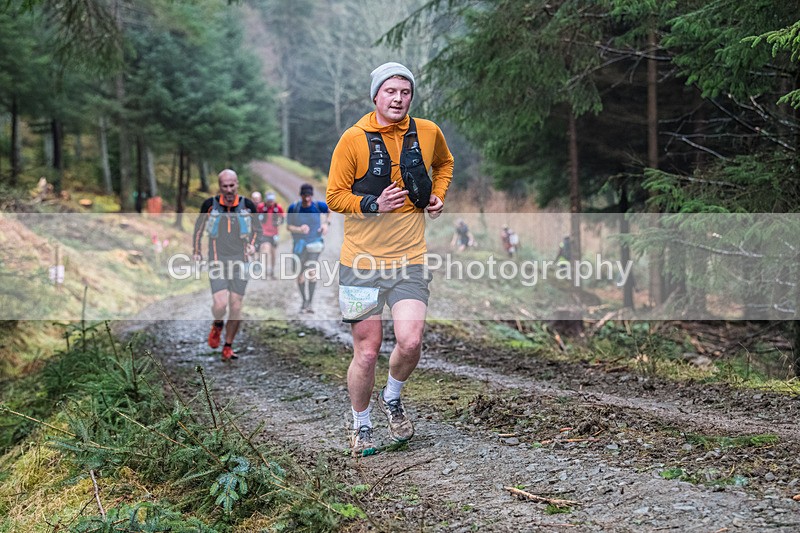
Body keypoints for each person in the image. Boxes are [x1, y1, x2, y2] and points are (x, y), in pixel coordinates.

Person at [326, 61, 454, 457]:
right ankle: (361, 425)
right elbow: (334, 196)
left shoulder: (428, 132)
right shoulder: (353, 139)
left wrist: (438, 195)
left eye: (405, 92)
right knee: (367, 351)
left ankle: (392, 397)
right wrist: (373, 203)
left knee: (411, 342)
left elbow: (444, 164)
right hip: (360, 264)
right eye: (390, 92)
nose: (398, 99)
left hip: (409, 261)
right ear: (376, 96)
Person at [192, 169, 261, 361]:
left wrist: (253, 245)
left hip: (241, 261)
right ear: (219, 186)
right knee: (220, 305)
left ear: (237, 184)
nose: (229, 190)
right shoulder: (210, 205)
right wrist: (196, 251)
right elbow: (198, 229)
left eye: (232, 185)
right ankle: (217, 324)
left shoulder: (248, 206)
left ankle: (228, 346)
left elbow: (257, 230)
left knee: (236, 306)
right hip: (217, 260)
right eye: (225, 186)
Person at [286, 183, 330, 313]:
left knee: (312, 272)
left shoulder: (318, 206)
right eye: (305, 195)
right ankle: (304, 301)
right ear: (301, 195)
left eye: (309, 195)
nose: (307, 198)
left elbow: (330, 211)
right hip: (299, 245)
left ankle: (310, 303)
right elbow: (288, 227)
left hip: (315, 243)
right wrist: (299, 229)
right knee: (300, 275)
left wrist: (326, 224)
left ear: (312, 195)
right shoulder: (294, 208)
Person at [252, 191, 285, 278]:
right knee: (265, 251)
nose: (270, 202)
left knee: (273, 253)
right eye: (269, 200)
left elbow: (282, 218)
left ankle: (272, 271)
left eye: (272, 200)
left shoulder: (278, 208)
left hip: (274, 234)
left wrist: (279, 223)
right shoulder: (261, 207)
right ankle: (265, 271)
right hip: (264, 233)